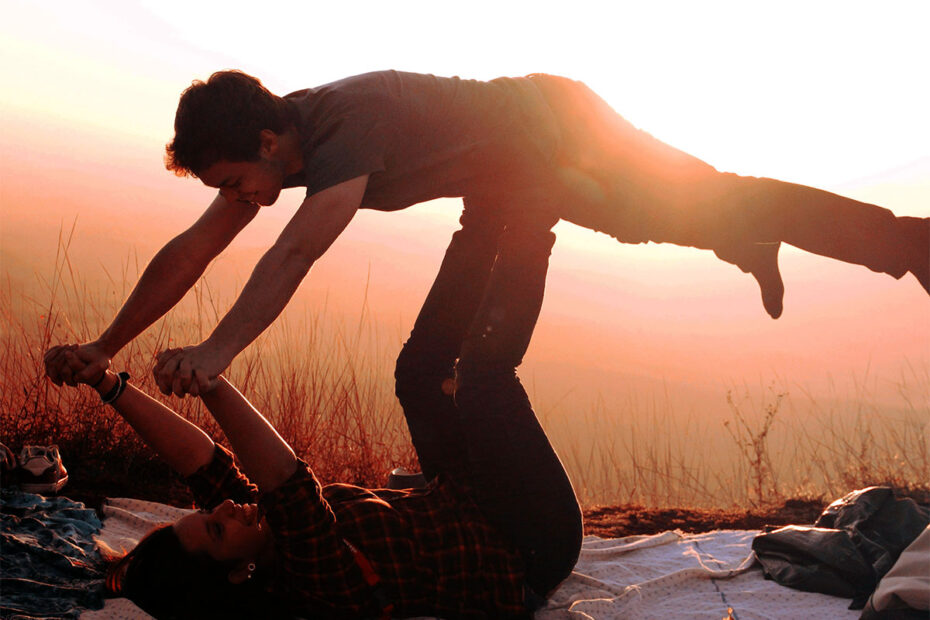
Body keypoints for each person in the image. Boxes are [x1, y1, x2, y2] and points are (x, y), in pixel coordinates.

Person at [44, 70, 929, 397]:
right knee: (686, 214)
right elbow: (192, 250)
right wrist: (105, 342)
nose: (240, 199)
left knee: (702, 203)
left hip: (552, 132)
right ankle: (744, 240)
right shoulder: (285, 145)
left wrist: (220, 348)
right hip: (501, 177)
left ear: (266, 143)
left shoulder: (349, 126)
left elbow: (296, 252)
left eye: (237, 180)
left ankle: (904, 241)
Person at [44, 221, 583, 618]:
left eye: (212, 514)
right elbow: (288, 481)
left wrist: (106, 384)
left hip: (465, 495)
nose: (227, 509)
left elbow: (201, 462)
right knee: (486, 377)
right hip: (529, 541)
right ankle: (534, 220)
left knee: (417, 373)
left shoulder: (260, 537)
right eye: (215, 526)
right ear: (238, 574)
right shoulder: (315, 580)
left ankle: (483, 219)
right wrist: (209, 377)